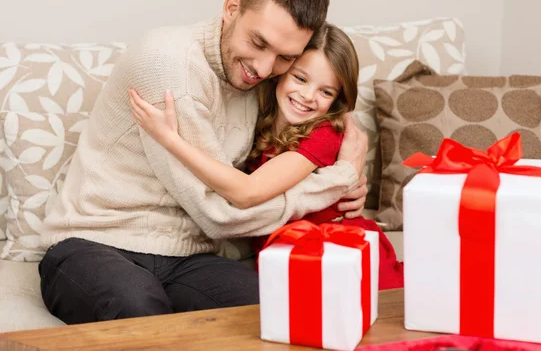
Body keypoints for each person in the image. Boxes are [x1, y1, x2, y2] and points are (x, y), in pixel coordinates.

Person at [38, 0, 369, 325]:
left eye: (284, 58)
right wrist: (338, 180)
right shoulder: (169, 66)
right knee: (139, 312)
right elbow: (220, 213)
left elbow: (325, 104)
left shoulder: (265, 79)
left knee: (282, 308)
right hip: (95, 242)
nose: (263, 68)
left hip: (187, 257)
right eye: (258, 42)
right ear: (231, 8)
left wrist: (348, 161)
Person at [129, 23, 404, 289]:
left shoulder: (323, 133)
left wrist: (171, 140)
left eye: (325, 91)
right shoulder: (259, 117)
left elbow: (248, 191)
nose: (308, 96)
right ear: (280, 72)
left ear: (336, 99)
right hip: (287, 255)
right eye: (300, 78)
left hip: (339, 252)